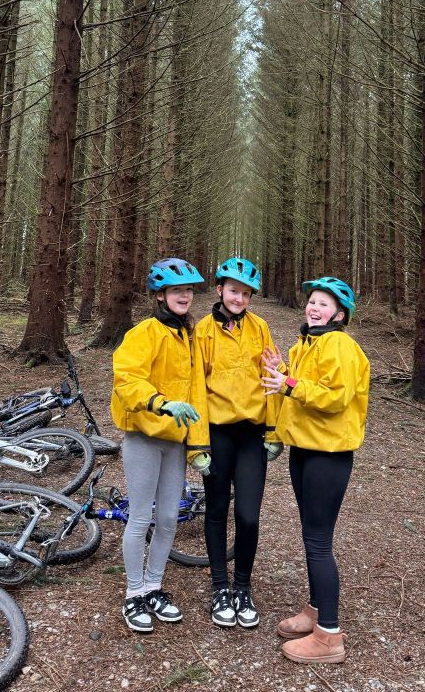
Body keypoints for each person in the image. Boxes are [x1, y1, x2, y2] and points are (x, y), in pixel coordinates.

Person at [262, 276, 369, 665]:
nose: (314, 307)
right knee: (311, 537)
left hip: (328, 454)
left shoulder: (341, 345)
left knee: (319, 541)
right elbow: (302, 387)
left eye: (324, 303)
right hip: (305, 450)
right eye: (312, 301)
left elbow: (335, 398)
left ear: (339, 314)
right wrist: (283, 371)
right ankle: (316, 610)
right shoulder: (307, 344)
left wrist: (288, 383)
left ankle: (329, 636)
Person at [110, 257, 211, 634]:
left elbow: (198, 393)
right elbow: (127, 379)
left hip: (175, 441)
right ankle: (133, 593)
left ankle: (154, 587)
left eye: (188, 291)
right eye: (176, 290)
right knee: (140, 517)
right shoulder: (144, 333)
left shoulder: (190, 336)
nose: (184, 296)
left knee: (168, 518)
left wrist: (198, 447)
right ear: (160, 295)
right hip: (144, 436)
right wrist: (161, 402)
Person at [193, 256, 283, 629]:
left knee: (248, 514)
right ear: (219, 290)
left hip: (251, 434)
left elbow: (272, 375)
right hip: (217, 433)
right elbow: (195, 388)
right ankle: (220, 587)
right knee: (216, 510)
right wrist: (197, 445)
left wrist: (274, 431)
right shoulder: (203, 331)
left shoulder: (260, 327)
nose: (239, 299)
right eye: (233, 291)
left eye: (245, 294)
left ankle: (243, 588)